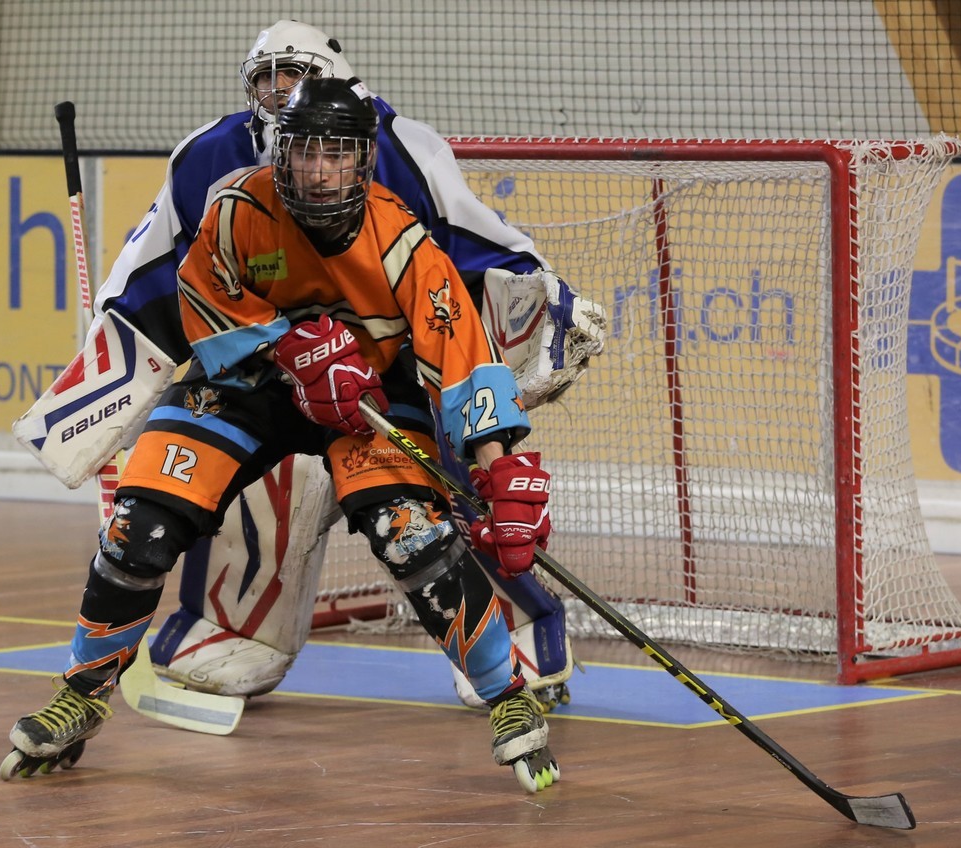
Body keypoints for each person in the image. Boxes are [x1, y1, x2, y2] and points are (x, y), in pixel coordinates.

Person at [3, 76, 562, 793]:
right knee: (140, 525)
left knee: (413, 536)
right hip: (251, 383)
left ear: (363, 161)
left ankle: (508, 697)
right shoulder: (237, 208)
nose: (321, 171)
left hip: (368, 399)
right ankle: (80, 693)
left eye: (338, 154)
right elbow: (203, 298)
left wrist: (499, 470)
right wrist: (285, 345)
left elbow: (464, 364)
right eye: (305, 152)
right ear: (281, 150)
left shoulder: (403, 242)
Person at [88, 20, 592, 709]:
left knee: (439, 506)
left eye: (291, 74)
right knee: (222, 482)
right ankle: (236, 627)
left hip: (395, 373)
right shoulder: (211, 157)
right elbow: (163, 273)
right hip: (270, 370)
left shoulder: (403, 150)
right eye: (264, 78)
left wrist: (537, 312)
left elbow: (471, 254)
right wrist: (112, 355)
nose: (276, 91)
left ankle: (513, 638)